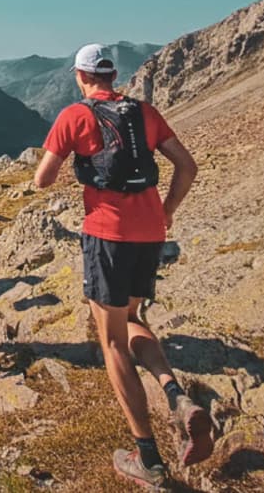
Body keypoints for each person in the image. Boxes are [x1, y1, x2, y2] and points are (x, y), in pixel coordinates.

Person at [32, 44, 211, 490]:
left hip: (107, 236)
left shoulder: (76, 116)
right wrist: (167, 210)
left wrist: (68, 152)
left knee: (111, 342)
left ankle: (147, 457)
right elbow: (186, 166)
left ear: (81, 76)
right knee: (132, 319)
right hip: (151, 232)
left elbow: (43, 180)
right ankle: (176, 396)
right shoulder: (145, 113)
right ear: (112, 74)